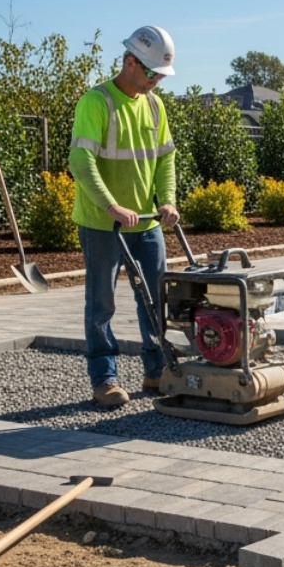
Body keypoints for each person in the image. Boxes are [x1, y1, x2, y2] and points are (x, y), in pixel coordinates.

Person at [69, 25, 180, 408]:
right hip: (103, 224)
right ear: (129, 62)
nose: (156, 82)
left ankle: (156, 370)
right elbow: (80, 161)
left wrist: (166, 200)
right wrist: (109, 205)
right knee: (102, 304)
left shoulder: (154, 105)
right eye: (152, 73)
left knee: (155, 299)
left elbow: (165, 157)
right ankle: (105, 379)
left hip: (147, 223)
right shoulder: (96, 102)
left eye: (161, 76)